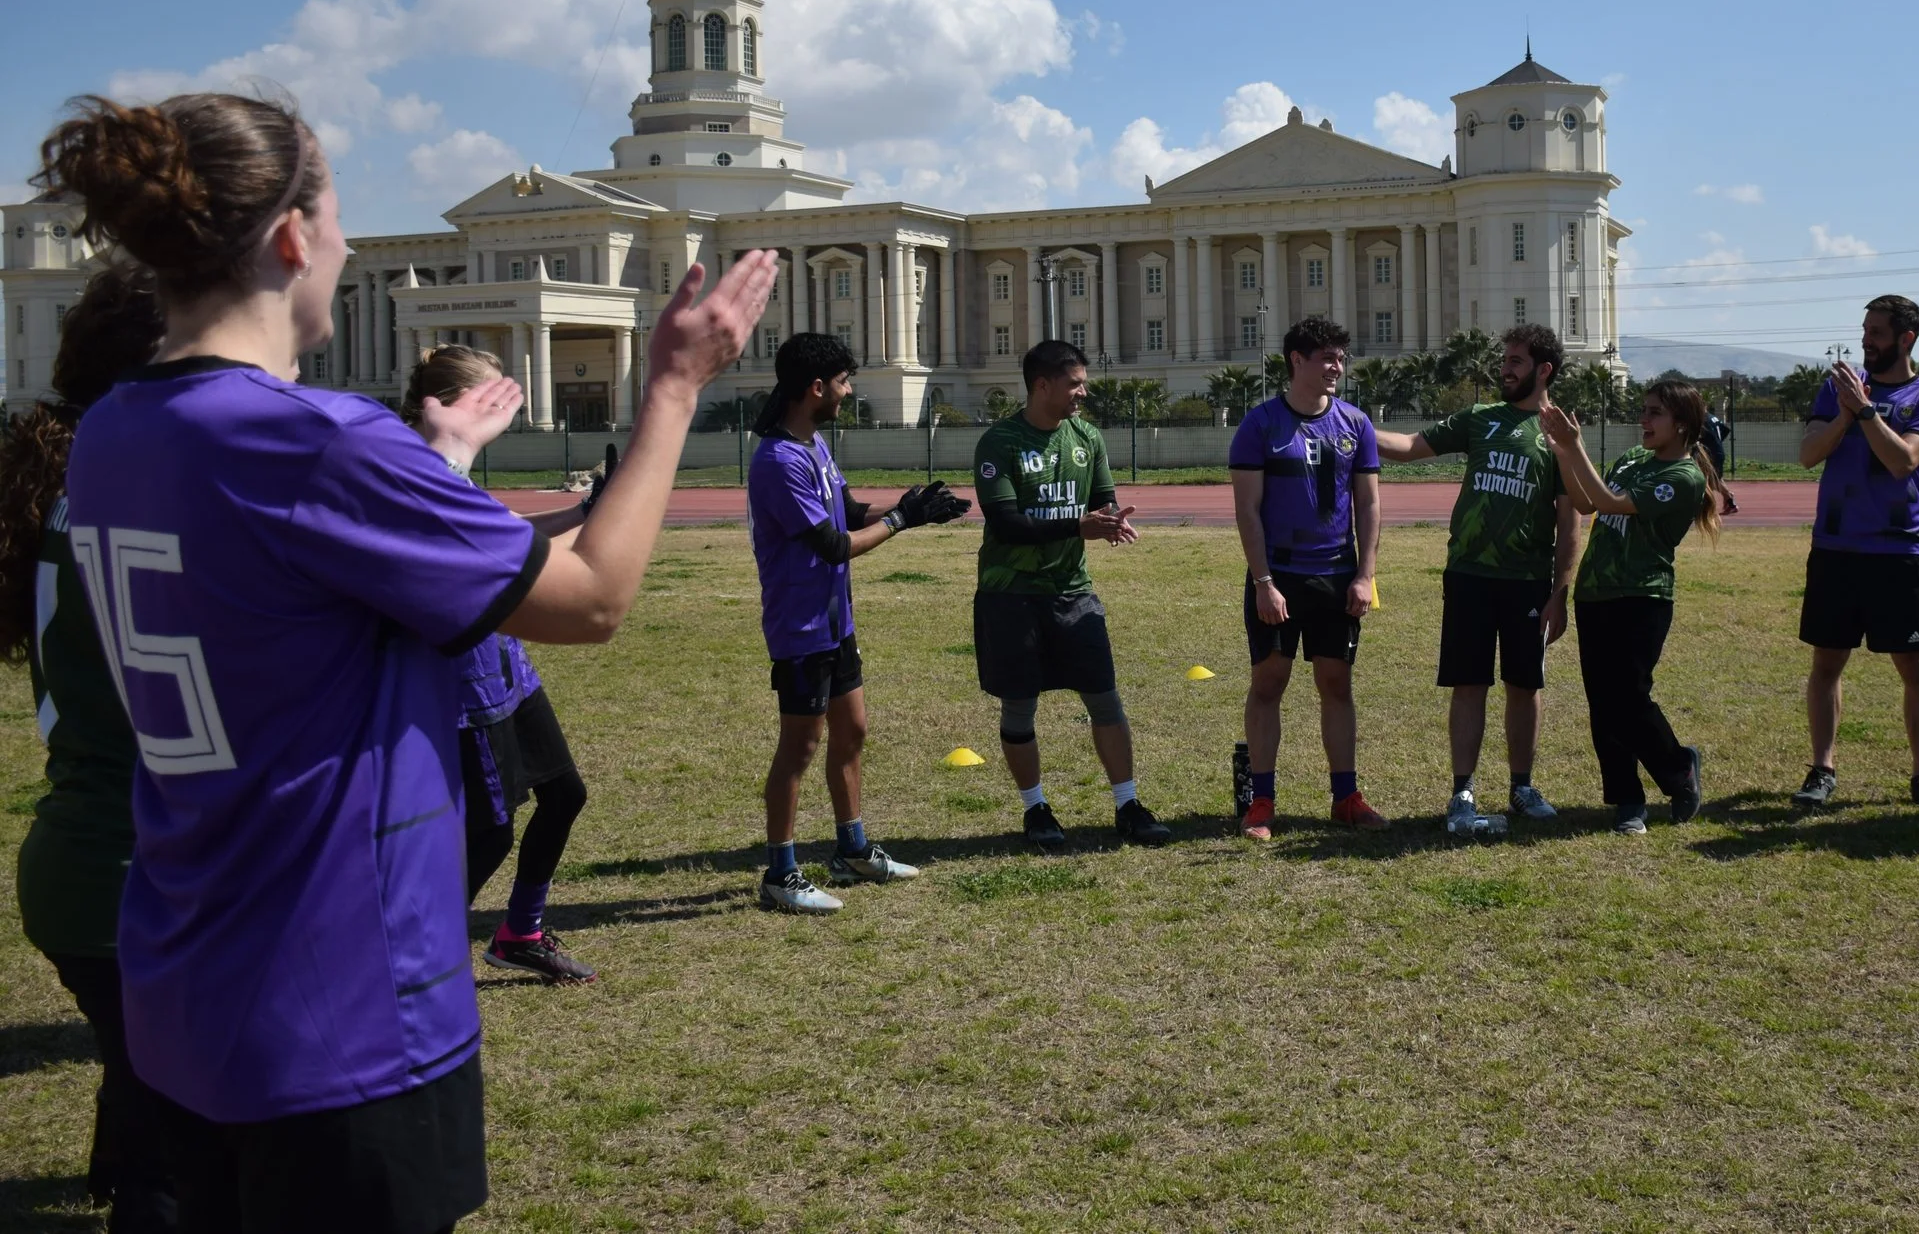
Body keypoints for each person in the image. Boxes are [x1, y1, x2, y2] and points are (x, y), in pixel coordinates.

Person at [40, 91, 773, 1233]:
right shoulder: (317, 439)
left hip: (185, 984)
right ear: (291, 236)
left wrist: (434, 462)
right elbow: (593, 602)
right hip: (339, 1009)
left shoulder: (115, 429)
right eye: (334, 215)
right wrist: (674, 386)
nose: (341, 243)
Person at [4, 266, 181, 1230]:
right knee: (181, 1152)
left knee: (142, 1076)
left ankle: (116, 1161)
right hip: (127, 870)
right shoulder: (133, 495)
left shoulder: (70, 482)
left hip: (80, 853)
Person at [747, 332, 967, 911]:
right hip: (800, 628)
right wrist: (899, 521)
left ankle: (853, 850)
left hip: (835, 621)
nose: (848, 393)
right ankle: (780, 873)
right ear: (816, 387)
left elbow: (846, 511)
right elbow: (832, 544)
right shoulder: (778, 460)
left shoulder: (814, 443)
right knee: (800, 748)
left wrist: (915, 508)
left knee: (853, 732)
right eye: (844, 382)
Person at [400, 345, 598, 982]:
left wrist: (588, 511)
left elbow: (510, 534)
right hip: (467, 687)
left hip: (508, 670)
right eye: (492, 398)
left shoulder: (453, 470)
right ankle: (404, 960)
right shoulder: (421, 473)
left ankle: (519, 933)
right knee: (487, 835)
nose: (506, 410)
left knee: (564, 795)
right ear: (453, 405)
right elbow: (506, 557)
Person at [1378, 323, 1582, 835]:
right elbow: (1407, 446)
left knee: (1524, 683)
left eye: (1515, 361)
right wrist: (1346, 424)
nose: (1504, 369)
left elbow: (1572, 515)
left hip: (1527, 581)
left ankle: (1522, 787)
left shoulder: (1559, 433)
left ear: (1543, 370)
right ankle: (1462, 791)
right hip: (1468, 574)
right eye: (1505, 359)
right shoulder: (1480, 419)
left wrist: (1560, 592)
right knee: (1468, 683)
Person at [971, 338, 1169, 851]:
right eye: (1075, 383)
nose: (1083, 392)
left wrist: (1111, 518)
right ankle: (1036, 810)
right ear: (1042, 385)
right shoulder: (1000, 443)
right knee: (1019, 707)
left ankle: (1128, 804)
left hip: (1072, 592)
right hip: (1010, 593)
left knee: (1105, 698)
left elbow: (1103, 499)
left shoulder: (1087, 437)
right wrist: (1076, 526)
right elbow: (1006, 523)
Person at [1794, 295, 1919, 811]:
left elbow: (1902, 460)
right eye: (1865, 330)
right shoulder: (1837, 389)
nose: (1867, 340)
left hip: (1895, 549)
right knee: (1827, 661)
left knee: (1915, 664)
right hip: (1835, 546)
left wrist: (1864, 411)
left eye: (1878, 332)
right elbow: (1807, 454)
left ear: (1906, 339)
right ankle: (1822, 768)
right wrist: (1845, 413)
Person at [1228, 316, 1387, 838]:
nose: (1336, 366)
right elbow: (1247, 511)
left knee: (1336, 683)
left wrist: (1365, 576)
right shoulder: (1260, 425)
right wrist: (1263, 583)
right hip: (1280, 577)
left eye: (1341, 357)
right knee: (1269, 681)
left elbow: (1368, 505)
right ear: (1296, 361)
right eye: (1326, 358)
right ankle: (1262, 800)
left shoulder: (1355, 424)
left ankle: (1346, 797)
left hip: (1336, 576)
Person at [1540, 376, 1721, 833]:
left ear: (1681, 425)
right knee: (1603, 703)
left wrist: (1574, 444)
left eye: (1655, 412)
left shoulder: (1683, 477)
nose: (1644, 418)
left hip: (1642, 596)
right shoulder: (1636, 459)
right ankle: (1626, 800)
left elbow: (1609, 501)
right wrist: (1563, 453)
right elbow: (1585, 504)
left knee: (1627, 697)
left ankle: (1678, 767)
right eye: (1644, 409)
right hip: (1596, 593)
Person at [1700, 404, 1738, 514]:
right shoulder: (1713, 417)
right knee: (1716, 478)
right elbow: (1725, 430)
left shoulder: (1703, 420)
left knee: (1711, 480)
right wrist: (1717, 442)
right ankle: (1730, 502)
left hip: (1711, 453)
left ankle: (1727, 498)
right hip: (1716, 451)